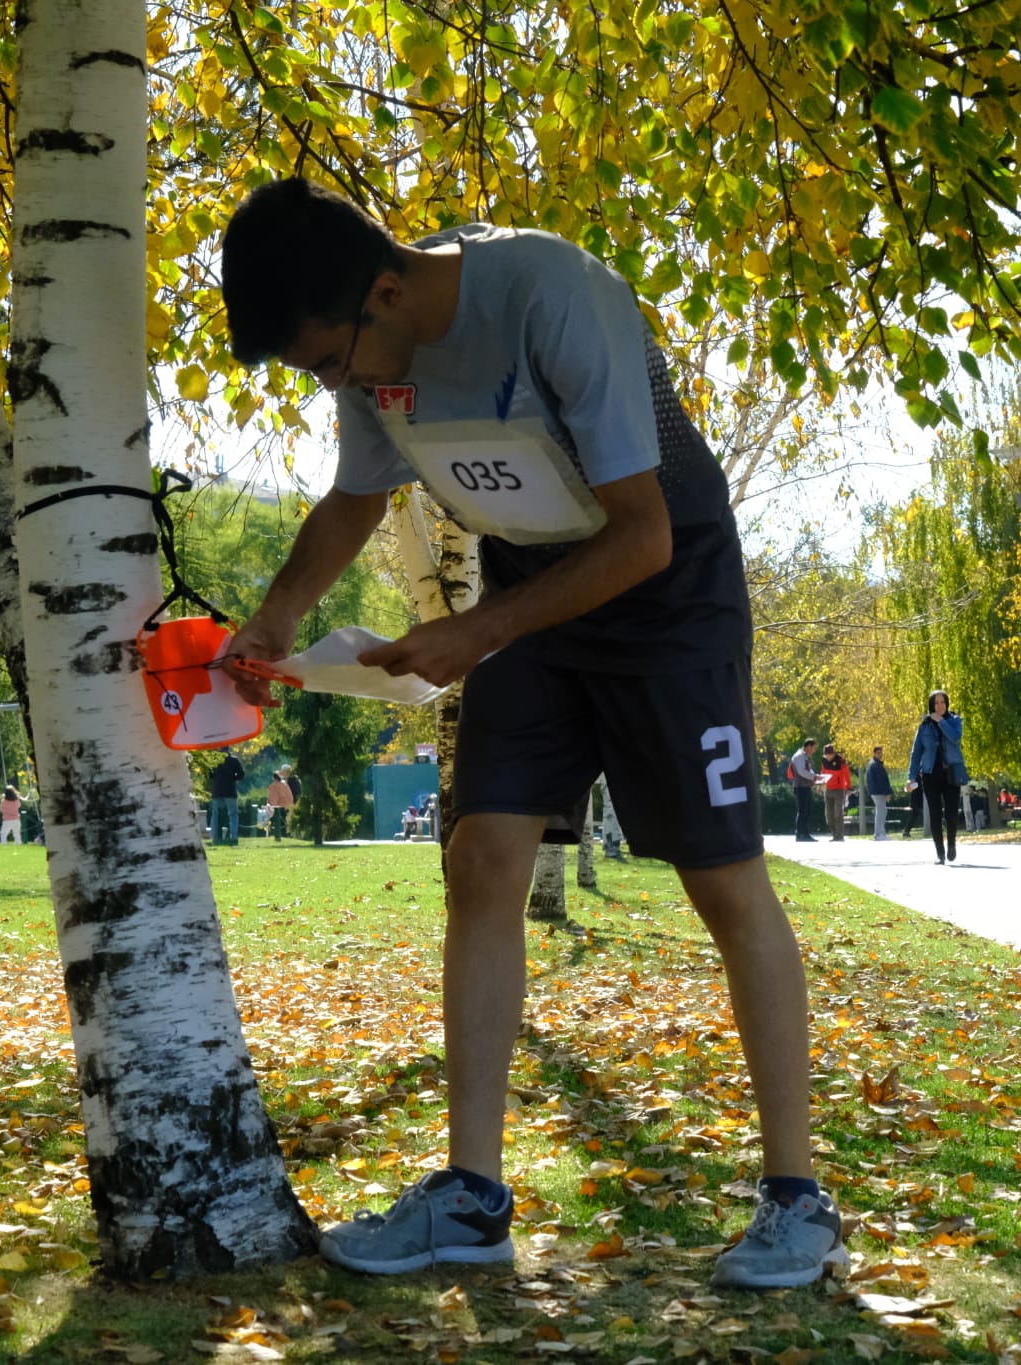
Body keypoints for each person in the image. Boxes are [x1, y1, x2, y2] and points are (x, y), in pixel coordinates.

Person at [216, 179, 840, 1289]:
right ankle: (470, 1197)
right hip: (527, 595)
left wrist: (476, 632)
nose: (344, 388)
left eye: (332, 363)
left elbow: (642, 533)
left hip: (663, 591)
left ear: (389, 288)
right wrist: (274, 619)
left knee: (722, 881)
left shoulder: (552, 295)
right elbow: (354, 500)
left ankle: (796, 1196)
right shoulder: (370, 342)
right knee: (482, 857)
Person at [906, 689, 967, 864]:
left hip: (951, 773)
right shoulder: (924, 725)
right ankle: (940, 852)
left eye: (942, 702)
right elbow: (916, 753)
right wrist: (911, 777)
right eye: (936, 703)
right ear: (931, 705)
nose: (940, 706)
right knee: (934, 813)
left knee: (951, 812)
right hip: (930, 774)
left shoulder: (954, 721)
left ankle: (952, 845)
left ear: (947, 704)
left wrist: (942, 722)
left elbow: (955, 738)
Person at [788, 738, 823, 843]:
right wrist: (815, 777)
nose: (814, 750)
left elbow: (809, 771)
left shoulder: (805, 757)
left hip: (805, 787)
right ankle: (800, 834)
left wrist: (816, 777)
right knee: (803, 810)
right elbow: (802, 771)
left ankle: (805, 833)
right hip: (800, 787)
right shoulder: (799, 756)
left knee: (807, 810)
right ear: (808, 746)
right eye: (814, 748)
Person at [208, 751, 244, 845]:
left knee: (215, 814)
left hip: (217, 790)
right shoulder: (234, 760)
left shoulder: (214, 760)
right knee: (233, 815)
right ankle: (233, 837)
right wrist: (232, 778)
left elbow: (209, 774)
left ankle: (215, 837)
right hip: (230, 791)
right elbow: (241, 774)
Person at [820, 744, 851, 842]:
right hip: (828, 790)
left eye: (829, 754)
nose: (828, 756)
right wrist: (820, 785)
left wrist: (848, 787)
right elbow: (822, 773)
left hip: (839, 790)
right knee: (829, 815)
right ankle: (834, 834)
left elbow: (847, 774)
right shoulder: (824, 761)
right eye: (826, 754)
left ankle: (840, 835)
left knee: (838, 813)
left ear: (834, 753)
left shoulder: (841, 761)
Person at [864, 745, 893, 840]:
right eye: (878, 753)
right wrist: (887, 793)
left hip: (875, 791)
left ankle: (881, 833)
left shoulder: (872, 764)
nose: (880, 754)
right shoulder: (876, 765)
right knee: (881, 812)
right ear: (875, 753)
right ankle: (878, 834)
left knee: (881, 811)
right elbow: (882, 781)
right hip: (878, 792)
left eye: (881, 752)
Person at [267, 766, 296, 839]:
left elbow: (273, 800)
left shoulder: (274, 786)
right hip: (287, 807)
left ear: (273, 778)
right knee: (284, 825)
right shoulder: (285, 785)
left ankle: (275, 836)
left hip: (278, 809)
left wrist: (271, 809)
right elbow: (290, 796)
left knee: (275, 824)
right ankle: (285, 836)